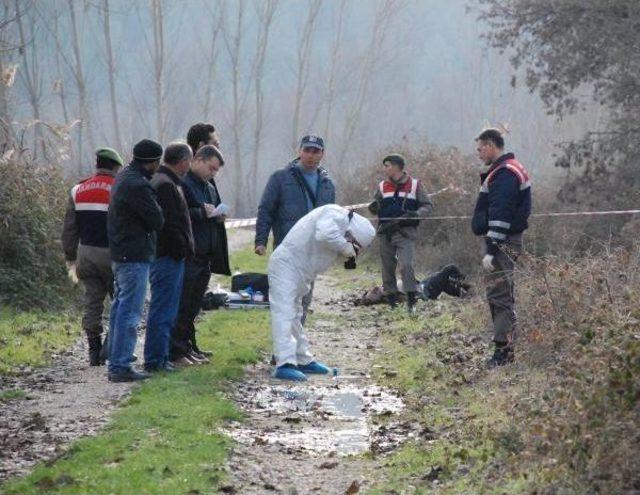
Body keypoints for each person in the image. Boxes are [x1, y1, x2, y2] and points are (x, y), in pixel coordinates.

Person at [269, 204, 375, 381]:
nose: (353, 249)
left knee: (295, 313)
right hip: (286, 265)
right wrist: (345, 247)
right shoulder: (334, 214)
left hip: (301, 270)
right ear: (352, 234)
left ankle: (303, 359)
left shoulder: (340, 223)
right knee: (284, 312)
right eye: (355, 244)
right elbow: (324, 234)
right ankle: (284, 364)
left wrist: (346, 247)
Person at [255, 135, 336, 324]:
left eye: (315, 151)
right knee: (286, 299)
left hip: (313, 250)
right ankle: (281, 350)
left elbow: (331, 218)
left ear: (322, 154)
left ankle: (296, 347)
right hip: (287, 248)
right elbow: (266, 209)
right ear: (299, 151)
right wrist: (261, 240)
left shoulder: (327, 184)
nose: (310, 155)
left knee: (304, 300)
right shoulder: (280, 178)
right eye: (306, 150)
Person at [471, 128, 531, 367]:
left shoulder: (505, 173)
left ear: (492, 145)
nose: (478, 153)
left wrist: (491, 249)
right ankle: (506, 348)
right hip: (506, 240)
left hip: (503, 242)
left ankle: (503, 353)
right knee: (501, 294)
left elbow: (500, 215)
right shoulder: (505, 169)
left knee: (500, 295)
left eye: (480, 148)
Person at [107, 139, 164, 382]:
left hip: (121, 253)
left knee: (120, 308)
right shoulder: (138, 186)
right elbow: (157, 220)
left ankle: (115, 358)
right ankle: (120, 365)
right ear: (153, 162)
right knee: (130, 312)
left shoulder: (123, 177)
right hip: (134, 255)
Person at [61, 147, 124, 366]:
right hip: (115, 255)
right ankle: (112, 348)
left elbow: (69, 230)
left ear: (97, 165)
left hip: (86, 254)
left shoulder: (77, 190)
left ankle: (93, 352)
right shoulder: (119, 188)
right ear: (116, 167)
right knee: (121, 301)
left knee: (93, 302)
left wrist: (71, 257)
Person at [170, 144, 230, 366]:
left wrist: (217, 216)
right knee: (182, 304)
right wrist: (201, 212)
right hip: (189, 254)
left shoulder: (210, 187)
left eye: (216, 171)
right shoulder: (183, 183)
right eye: (210, 168)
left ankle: (187, 347)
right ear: (198, 159)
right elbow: (179, 213)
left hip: (206, 255)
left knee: (194, 306)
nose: (212, 173)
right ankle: (175, 351)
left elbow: (210, 212)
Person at [145, 142, 194, 372]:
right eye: (190, 161)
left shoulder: (166, 181)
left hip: (167, 256)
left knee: (166, 309)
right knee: (163, 309)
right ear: (183, 161)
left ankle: (161, 357)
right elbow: (169, 225)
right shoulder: (165, 185)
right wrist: (182, 249)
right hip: (167, 257)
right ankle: (156, 359)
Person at [368, 154, 433, 314]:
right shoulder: (382, 186)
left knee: (406, 265)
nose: (385, 169)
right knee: (387, 267)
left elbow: (427, 206)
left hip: (406, 232)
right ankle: (391, 301)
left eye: (388, 165)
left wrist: (416, 214)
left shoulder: (416, 185)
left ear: (397, 166)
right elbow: (374, 205)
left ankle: (411, 301)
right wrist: (374, 207)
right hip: (385, 232)